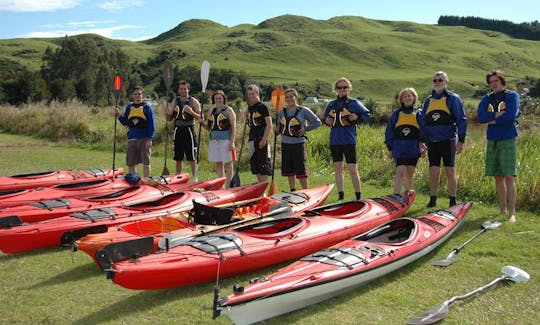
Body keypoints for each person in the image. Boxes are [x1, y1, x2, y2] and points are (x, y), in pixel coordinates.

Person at [476, 69, 520, 223]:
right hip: (492, 139)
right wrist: (496, 115)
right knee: (497, 176)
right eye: (491, 82)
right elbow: (481, 117)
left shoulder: (511, 96)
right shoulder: (487, 98)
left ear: (502, 81)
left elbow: (511, 114)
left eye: (496, 81)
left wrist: (493, 120)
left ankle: (512, 213)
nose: (493, 84)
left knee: (509, 175)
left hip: (508, 138)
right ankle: (502, 210)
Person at [421, 71, 467, 207]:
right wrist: (422, 141)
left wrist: (461, 140)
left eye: (440, 80)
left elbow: (461, 120)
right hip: (432, 141)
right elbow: (424, 122)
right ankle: (433, 199)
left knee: (449, 170)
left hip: (448, 140)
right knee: (433, 171)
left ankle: (452, 200)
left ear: (446, 82)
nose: (437, 82)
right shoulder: (428, 100)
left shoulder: (453, 98)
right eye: (435, 80)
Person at [324, 77, 370, 201]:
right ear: (336, 89)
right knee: (338, 169)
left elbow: (367, 115)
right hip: (335, 141)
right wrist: (327, 121)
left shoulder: (353, 103)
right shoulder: (331, 104)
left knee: (352, 170)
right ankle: (341, 196)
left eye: (345, 87)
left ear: (349, 89)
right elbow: (326, 118)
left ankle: (358, 197)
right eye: (339, 87)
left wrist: (357, 117)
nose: (342, 89)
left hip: (349, 141)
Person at [275, 88, 322, 192]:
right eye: (287, 97)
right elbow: (279, 126)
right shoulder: (281, 112)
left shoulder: (303, 110)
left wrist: (305, 129)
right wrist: (277, 129)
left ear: (296, 97)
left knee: (301, 171)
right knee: (289, 170)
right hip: (285, 144)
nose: (289, 99)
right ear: (285, 99)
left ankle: (306, 192)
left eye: (292, 96)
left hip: (298, 144)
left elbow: (317, 122)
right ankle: (293, 190)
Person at [385, 87, 426, 194]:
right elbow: (389, 131)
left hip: (413, 148)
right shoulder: (396, 114)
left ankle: (407, 195)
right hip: (399, 148)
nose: (407, 98)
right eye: (405, 96)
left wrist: (423, 145)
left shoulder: (419, 113)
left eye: (409, 96)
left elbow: (423, 130)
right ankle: (397, 195)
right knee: (400, 172)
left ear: (414, 98)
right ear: (401, 99)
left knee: (410, 173)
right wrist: (389, 148)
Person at [114, 86, 156, 178]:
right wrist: (118, 115)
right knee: (131, 163)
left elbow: (152, 125)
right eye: (135, 94)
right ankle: (133, 181)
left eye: (139, 94)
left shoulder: (147, 108)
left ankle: (146, 181)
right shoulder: (129, 107)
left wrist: (150, 139)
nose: (137, 96)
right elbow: (125, 122)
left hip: (144, 139)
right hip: (132, 138)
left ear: (142, 95)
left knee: (146, 162)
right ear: (133, 95)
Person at [164, 81, 202, 176]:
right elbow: (169, 119)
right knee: (178, 157)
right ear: (178, 90)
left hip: (189, 129)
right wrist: (166, 112)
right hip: (177, 130)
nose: (183, 90)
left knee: (192, 157)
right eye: (181, 89)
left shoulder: (193, 101)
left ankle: (195, 178)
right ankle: (179, 177)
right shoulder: (175, 101)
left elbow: (201, 118)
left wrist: (191, 112)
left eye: (185, 89)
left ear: (188, 90)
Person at [200, 90, 236, 187]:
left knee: (228, 164)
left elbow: (233, 127)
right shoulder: (212, 110)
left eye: (220, 98)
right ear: (213, 100)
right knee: (219, 164)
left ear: (223, 99)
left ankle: (229, 185)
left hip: (226, 140)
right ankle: (221, 186)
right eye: (216, 98)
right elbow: (209, 127)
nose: (218, 100)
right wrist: (202, 123)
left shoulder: (229, 110)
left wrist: (232, 142)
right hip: (214, 141)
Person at [245, 84, 272, 182]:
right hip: (252, 138)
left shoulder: (263, 107)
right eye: (249, 94)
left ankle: (264, 190)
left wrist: (264, 139)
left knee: (263, 165)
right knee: (256, 165)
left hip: (261, 139)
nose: (251, 96)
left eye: (253, 94)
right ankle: (260, 190)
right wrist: (247, 115)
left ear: (257, 93)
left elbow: (269, 125)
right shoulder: (251, 108)